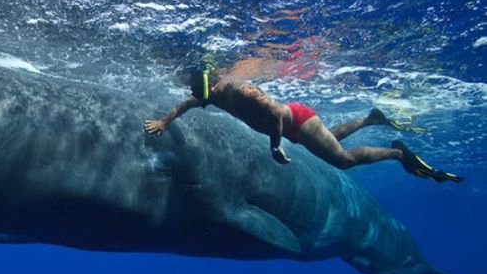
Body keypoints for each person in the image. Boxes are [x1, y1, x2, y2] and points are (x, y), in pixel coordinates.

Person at [144, 70, 463, 183]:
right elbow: (184, 105)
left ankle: (396, 153)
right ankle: (371, 119)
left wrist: (274, 146)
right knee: (330, 139)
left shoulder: (235, 90)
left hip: (294, 119)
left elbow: (274, 114)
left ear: (207, 81)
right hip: (297, 125)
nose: (192, 94)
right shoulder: (210, 97)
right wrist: (163, 121)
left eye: (194, 87)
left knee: (342, 161)